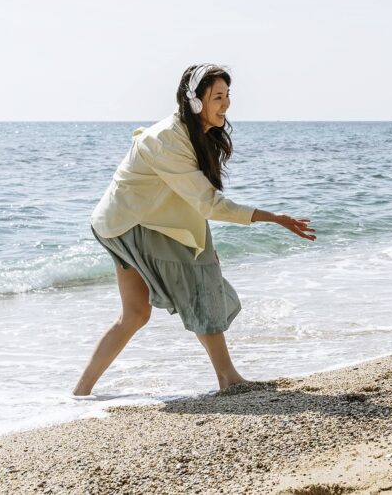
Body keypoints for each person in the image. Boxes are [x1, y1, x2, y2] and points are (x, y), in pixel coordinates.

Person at [73, 64, 315, 395]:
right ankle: (228, 378)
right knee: (201, 279)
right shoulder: (166, 141)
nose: (226, 103)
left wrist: (202, 241)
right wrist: (273, 217)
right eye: (218, 96)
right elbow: (208, 203)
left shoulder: (193, 135)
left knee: (135, 314)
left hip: (120, 222)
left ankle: (80, 393)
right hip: (128, 225)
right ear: (195, 101)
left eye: (228, 95)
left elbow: (186, 198)